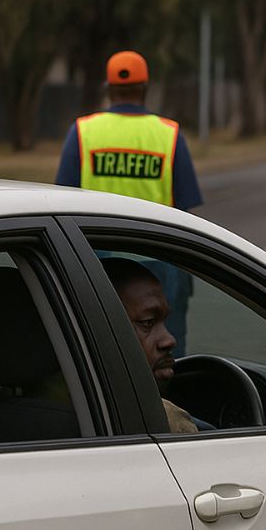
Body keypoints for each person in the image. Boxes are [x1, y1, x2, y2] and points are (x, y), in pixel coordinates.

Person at [56, 50, 202, 354]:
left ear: (109, 90)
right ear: (145, 88)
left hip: (97, 266)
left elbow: (61, 202)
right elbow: (185, 210)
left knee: (100, 354)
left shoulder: (83, 132)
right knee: (164, 359)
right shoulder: (169, 135)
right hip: (159, 266)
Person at [100, 257, 213, 434]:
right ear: (102, 328)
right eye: (147, 323)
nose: (169, 340)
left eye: (164, 321)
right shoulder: (164, 420)